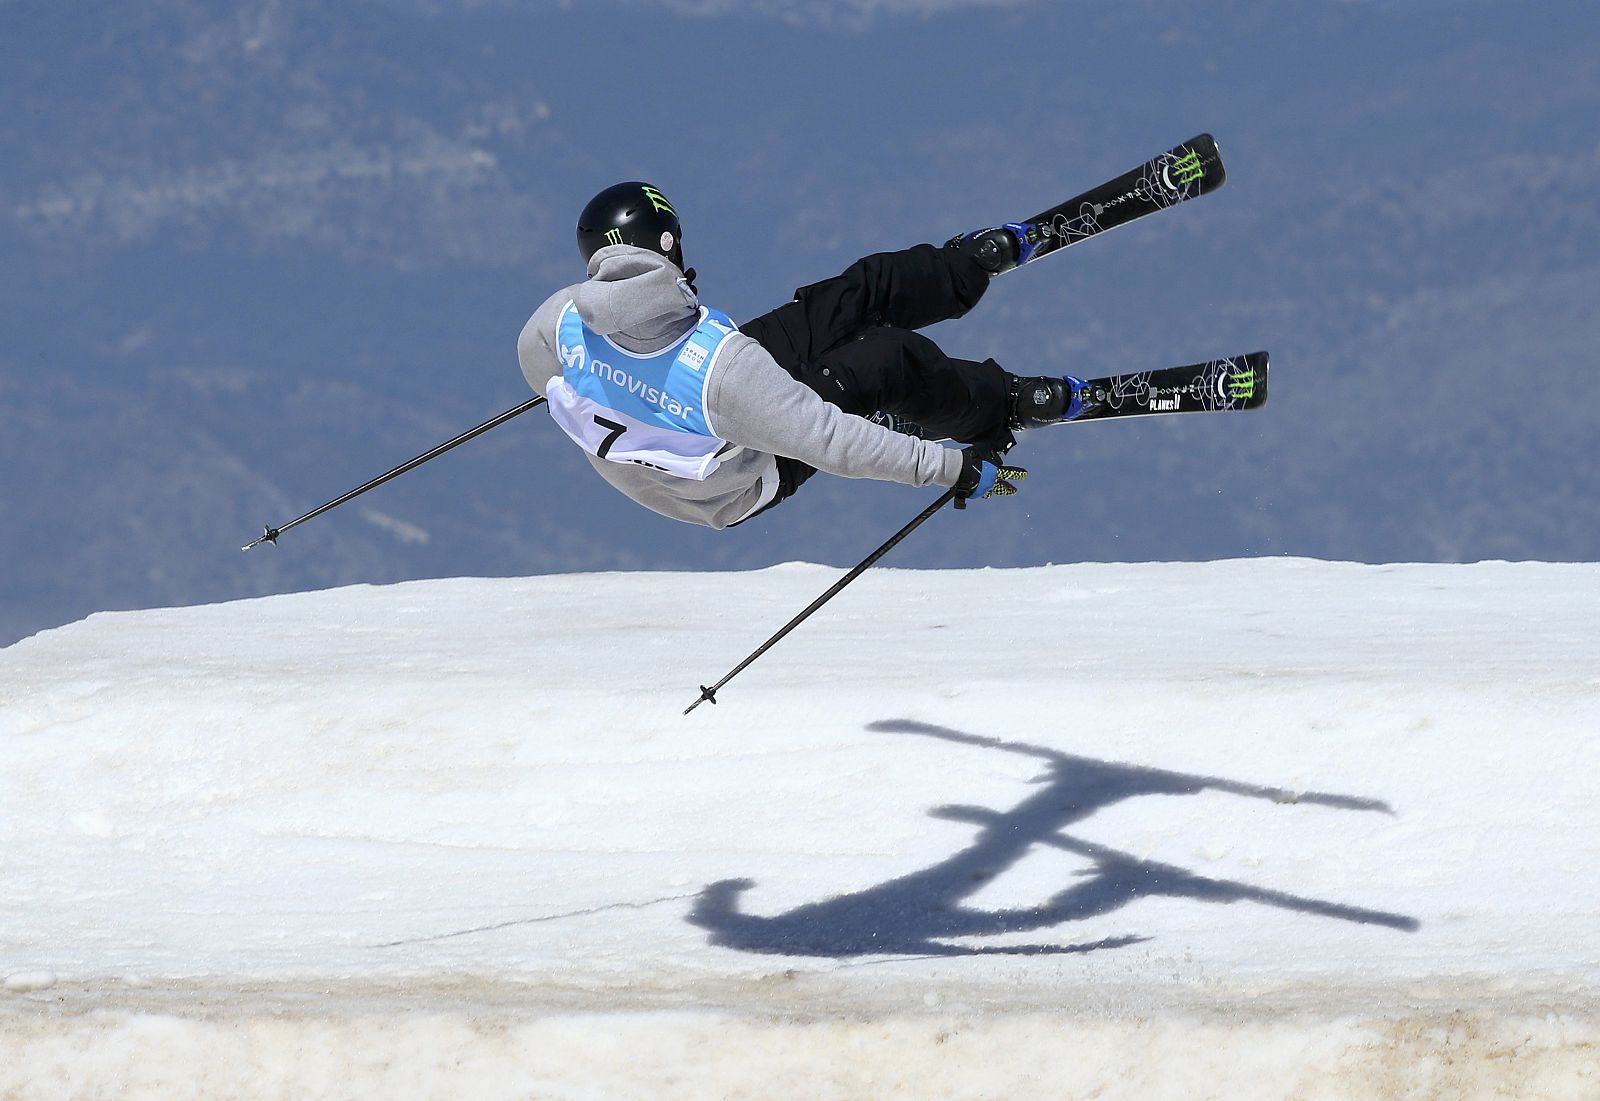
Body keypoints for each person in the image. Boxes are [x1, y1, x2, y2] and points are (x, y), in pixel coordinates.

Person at [516, 181, 1082, 530]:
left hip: (701, 414)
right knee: (883, 361)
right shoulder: (724, 371)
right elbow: (830, 444)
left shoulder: (558, 320)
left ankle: (966, 266)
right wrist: (954, 469)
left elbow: (545, 374)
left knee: (851, 297)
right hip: (741, 482)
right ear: (667, 245)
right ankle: (1001, 405)